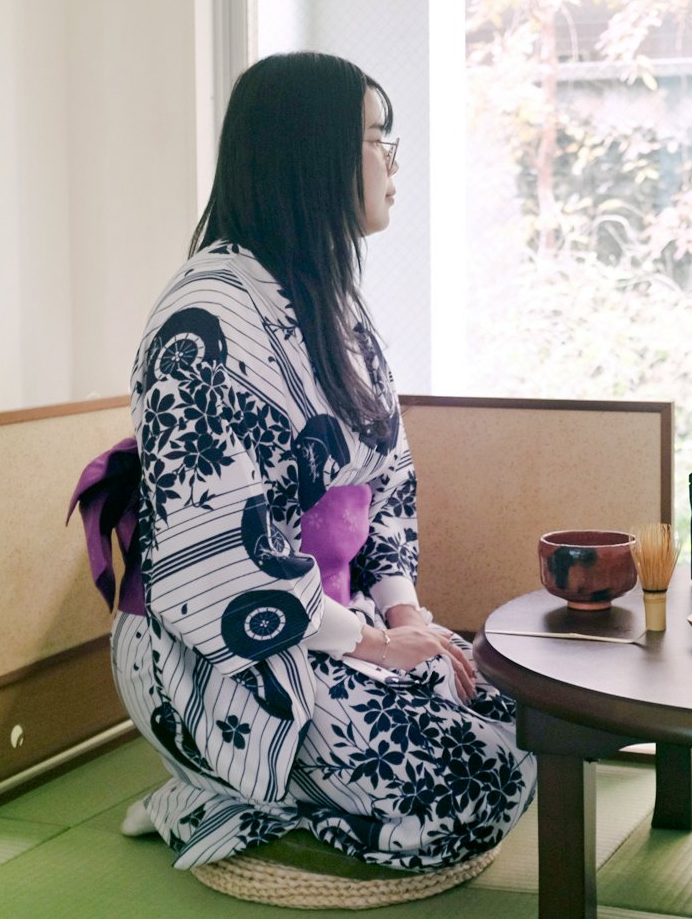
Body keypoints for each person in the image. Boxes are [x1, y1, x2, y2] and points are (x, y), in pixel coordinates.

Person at [110, 52, 536, 872]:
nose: (393, 159)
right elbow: (211, 564)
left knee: (522, 707)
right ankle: (212, 790)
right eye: (377, 138)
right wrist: (369, 646)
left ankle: (252, 795)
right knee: (456, 783)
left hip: (331, 618)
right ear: (311, 156)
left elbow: (386, 482)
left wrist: (405, 617)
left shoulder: (329, 293)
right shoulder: (201, 324)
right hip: (219, 643)